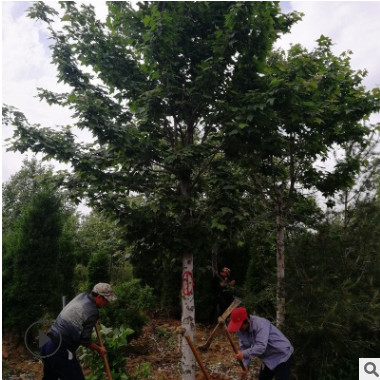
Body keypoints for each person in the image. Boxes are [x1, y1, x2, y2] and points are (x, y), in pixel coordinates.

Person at [41, 283, 117, 380]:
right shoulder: (92, 312)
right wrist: (99, 349)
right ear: (99, 297)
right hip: (61, 350)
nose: (106, 304)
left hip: (48, 344)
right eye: (106, 300)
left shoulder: (82, 296)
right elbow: (85, 340)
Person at [228, 307, 294, 380]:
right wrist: (245, 365)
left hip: (282, 354)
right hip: (268, 358)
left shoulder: (260, 324)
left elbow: (261, 347)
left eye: (240, 326)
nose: (239, 329)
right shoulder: (240, 330)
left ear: (247, 320)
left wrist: (243, 354)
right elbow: (245, 347)